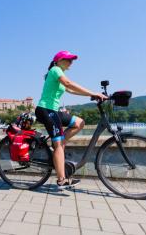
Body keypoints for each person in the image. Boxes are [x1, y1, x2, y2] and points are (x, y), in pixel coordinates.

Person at [35, 50, 108, 189]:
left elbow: (72, 90)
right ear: (59, 60)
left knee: (79, 123)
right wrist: (93, 92)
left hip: (54, 111)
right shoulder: (55, 70)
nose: (71, 62)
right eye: (68, 59)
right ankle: (61, 180)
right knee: (58, 144)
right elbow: (69, 84)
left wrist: (90, 95)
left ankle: (59, 144)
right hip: (46, 110)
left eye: (72, 60)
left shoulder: (59, 74)